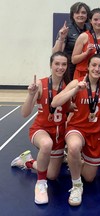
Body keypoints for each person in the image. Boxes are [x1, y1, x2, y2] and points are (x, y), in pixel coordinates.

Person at [51, 53, 100, 206]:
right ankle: (76, 186)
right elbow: (54, 102)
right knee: (74, 146)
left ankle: (73, 160)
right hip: (77, 128)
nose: (97, 69)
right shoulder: (76, 82)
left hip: (96, 134)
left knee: (89, 177)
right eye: (94, 65)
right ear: (87, 66)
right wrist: (75, 91)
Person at [11, 51, 71, 204]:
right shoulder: (41, 84)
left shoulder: (69, 86)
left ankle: (27, 161)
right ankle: (40, 184)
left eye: (64, 64)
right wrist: (31, 95)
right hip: (41, 130)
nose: (60, 67)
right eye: (57, 64)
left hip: (59, 134)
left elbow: (69, 108)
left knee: (52, 175)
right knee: (46, 144)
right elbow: (25, 113)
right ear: (51, 65)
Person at [52, 2, 91, 80]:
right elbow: (55, 53)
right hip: (70, 68)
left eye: (83, 13)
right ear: (72, 15)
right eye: (77, 12)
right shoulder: (66, 30)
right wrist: (61, 38)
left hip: (86, 67)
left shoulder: (90, 28)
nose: (80, 15)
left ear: (87, 15)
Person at [72, 8, 100, 80]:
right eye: (95, 19)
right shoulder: (84, 36)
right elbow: (74, 60)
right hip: (83, 76)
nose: (98, 22)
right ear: (90, 20)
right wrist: (85, 53)